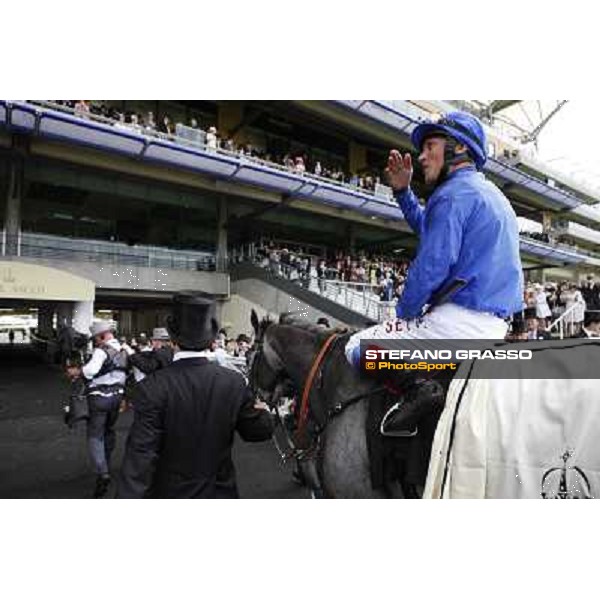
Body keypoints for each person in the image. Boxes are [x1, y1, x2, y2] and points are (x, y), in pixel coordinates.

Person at [344, 111, 524, 434]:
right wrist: (402, 192)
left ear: (458, 148)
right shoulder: (491, 195)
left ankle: (416, 387)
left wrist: (401, 316)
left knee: (355, 347)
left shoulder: (452, 194)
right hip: (494, 330)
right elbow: (431, 229)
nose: (422, 156)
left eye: (430, 146)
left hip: (456, 326)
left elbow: (429, 268)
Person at [117, 293, 274, 498]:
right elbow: (257, 431)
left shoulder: (152, 387)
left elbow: (140, 458)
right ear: (211, 338)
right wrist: (265, 413)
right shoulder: (233, 382)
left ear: (172, 338)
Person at [66, 320, 128, 498]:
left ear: (102, 336)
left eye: (96, 338)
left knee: (95, 435)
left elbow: (91, 371)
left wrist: (77, 371)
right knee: (109, 431)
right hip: (117, 397)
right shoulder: (124, 350)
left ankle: (103, 473)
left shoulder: (101, 351)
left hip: (99, 399)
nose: (95, 342)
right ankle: (106, 462)